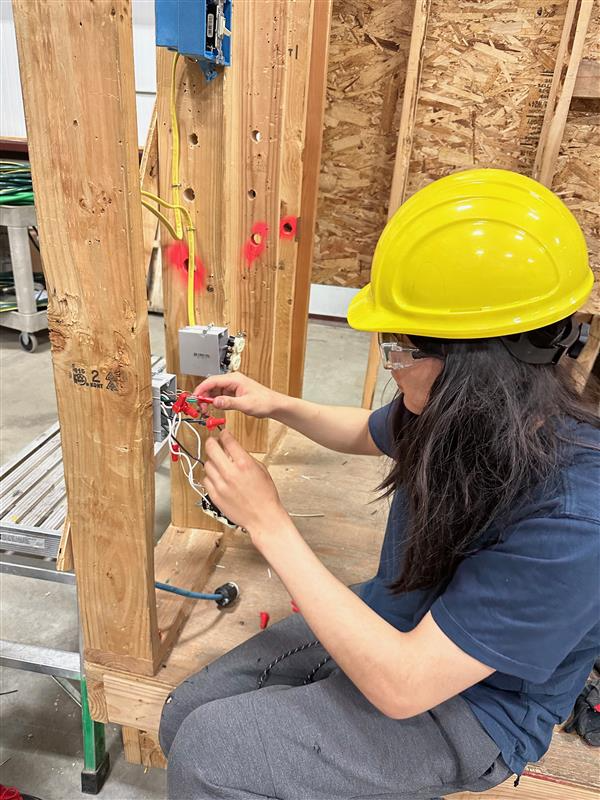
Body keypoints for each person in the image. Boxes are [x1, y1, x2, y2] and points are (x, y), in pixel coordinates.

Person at [159, 169, 600, 800]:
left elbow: (404, 685)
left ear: (472, 365)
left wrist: (268, 522)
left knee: (212, 753)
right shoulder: (466, 412)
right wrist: (276, 403)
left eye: (397, 348)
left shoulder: (575, 521)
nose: (390, 364)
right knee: (185, 716)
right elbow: (364, 431)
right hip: (396, 619)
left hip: (473, 709)